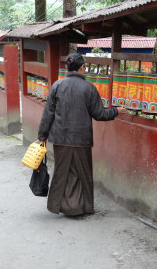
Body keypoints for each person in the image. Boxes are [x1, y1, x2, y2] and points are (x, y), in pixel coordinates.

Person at [38, 53, 126, 217]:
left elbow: (48, 114)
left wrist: (42, 136)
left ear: (67, 68)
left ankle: (61, 205)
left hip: (60, 139)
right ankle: (81, 207)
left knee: (62, 171)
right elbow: (99, 114)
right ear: (82, 68)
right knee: (82, 173)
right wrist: (116, 111)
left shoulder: (57, 86)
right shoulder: (89, 88)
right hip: (81, 139)